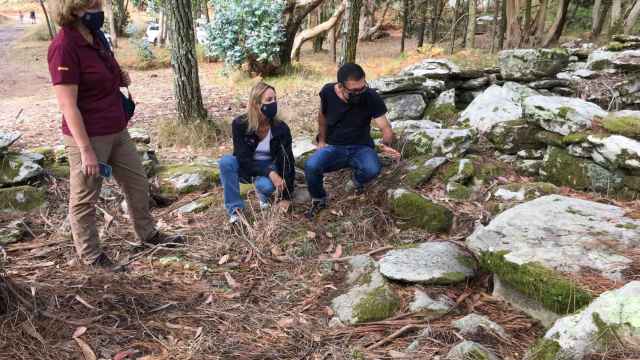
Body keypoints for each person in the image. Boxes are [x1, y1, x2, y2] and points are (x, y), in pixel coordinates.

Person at [48, 0, 183, 270]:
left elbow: (103, 71)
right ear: (74, 10)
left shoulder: (96, 36)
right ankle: (92, 257)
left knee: (137, 183)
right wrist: (85, 150)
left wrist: (118, 76)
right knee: (85, 198)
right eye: (92, 6)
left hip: (117, 127)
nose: (98, 10)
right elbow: (67, 105)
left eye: (99, 3)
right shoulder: (63, 47)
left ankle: (148, 234)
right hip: (88, 136)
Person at [304, 63, 400, 218]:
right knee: (311, 166)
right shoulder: (328, 92)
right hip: (334, 146)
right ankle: (319, 199)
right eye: (355, 90)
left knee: (372, 169)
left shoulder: (370, 96)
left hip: (361, 147)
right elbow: (322, 116)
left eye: (363, 87)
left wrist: (385, 145)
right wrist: (321, 141)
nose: (360, 92)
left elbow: (386, 128)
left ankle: (355, 180)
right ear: (341, 86)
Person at [219, 82, 295, 224]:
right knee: (226, 162)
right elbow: (242, 158)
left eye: (275, 99)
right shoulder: (240, 124)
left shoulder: (281, 128)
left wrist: (286, 197)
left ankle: (263, 195)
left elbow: (287, 161)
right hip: (247, 167)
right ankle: (236, 212)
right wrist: (270, 173)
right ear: (255, 104)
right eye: (269, 100)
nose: (274, 103)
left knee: (266, 186)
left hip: (268, 166)